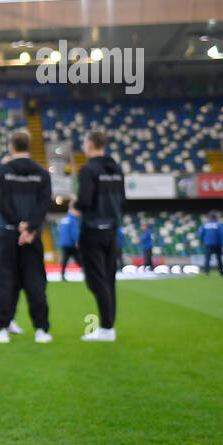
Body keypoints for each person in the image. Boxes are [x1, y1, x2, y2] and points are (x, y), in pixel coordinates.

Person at [0, 129, 52, 343]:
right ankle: (42, 330)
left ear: (11, 146)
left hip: (9, 235)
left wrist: (17, 225)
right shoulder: (41, 173)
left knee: (5, 282)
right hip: (32, 238)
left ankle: (2, 329)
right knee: (36, 283)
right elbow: (43, 204)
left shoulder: (2, 171)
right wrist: (30, 228)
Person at [71, 129, 125, 342]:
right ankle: (109, 325)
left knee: (96, 281)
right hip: (111, 230)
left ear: (90, 144)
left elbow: (85, 201)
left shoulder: (88, 170)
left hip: (92, 230)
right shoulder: (116, 169)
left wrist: (75, 203)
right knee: (109, 279)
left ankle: (106, 327)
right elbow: (123, 200)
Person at [57, 210, 81, 281]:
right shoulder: (73, 220)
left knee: (64, 260)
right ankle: (87, 273)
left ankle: (62, 275)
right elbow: (74, 232)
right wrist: (76, 241)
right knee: (80, 260)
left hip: (64, 243)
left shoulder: (64, 220)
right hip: (72, 244)